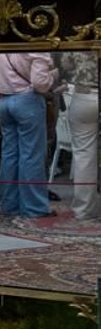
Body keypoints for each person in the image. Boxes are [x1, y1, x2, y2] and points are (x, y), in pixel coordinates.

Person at [0, 50, 56, 219]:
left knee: (9, 155)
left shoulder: (2, 47)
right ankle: (34, 208)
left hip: (5, 102)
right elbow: (40, 83)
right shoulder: (37, 47)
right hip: (28, 100)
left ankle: (9, 205)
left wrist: (4, 81)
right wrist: (52, 76)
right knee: (32, 155)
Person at [58, 50, 100, 220]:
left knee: (84, 155)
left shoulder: (79, 33)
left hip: (85, 94)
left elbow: (65, 64)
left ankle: (84, 210)